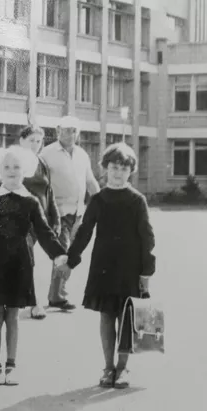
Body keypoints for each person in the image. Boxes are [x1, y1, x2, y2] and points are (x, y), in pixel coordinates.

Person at [61, 143, 156, 389]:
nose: (118, 173)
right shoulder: (98, 199)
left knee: (126, 318)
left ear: (131, 171)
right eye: (114, 167)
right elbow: (84, 232)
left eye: (124, 169)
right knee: (106, 316)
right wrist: (71, 260)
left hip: (130, 268)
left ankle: (123, 368)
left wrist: (146, 272)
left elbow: (147, 237)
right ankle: (108, 367)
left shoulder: (137, 200)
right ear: (105, 168)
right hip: (103, 266)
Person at [0, 145, 68, 386]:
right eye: (6, 167)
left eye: (16, 167)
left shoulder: (31, 201)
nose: (11, 171)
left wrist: (58, 254)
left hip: (20, 265)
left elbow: (44, 232)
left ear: (24, 170)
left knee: (13, 317)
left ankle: (11, 365)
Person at [40, 116, 100, 311]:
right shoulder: (47, 153)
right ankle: (58, 296)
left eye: (74, 130)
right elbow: (40, 184)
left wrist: (102, 202)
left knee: (72, 253)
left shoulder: (82, 154)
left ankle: (56, 294)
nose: (70, 134)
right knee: (63, 252)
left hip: (78, 213)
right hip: (58, 213)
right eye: (66, 130)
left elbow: (90, 181)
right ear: (58, 131)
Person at [18, 125, 61, 320]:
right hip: (22, 221)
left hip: (41, 222)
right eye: (31, 140)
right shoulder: (15, 162)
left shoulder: (41, 162)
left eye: (38, 141)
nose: (35, 144)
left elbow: (49, 192)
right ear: (22, 141)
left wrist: (56, 218)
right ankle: (34, 304)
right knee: (27, 261)